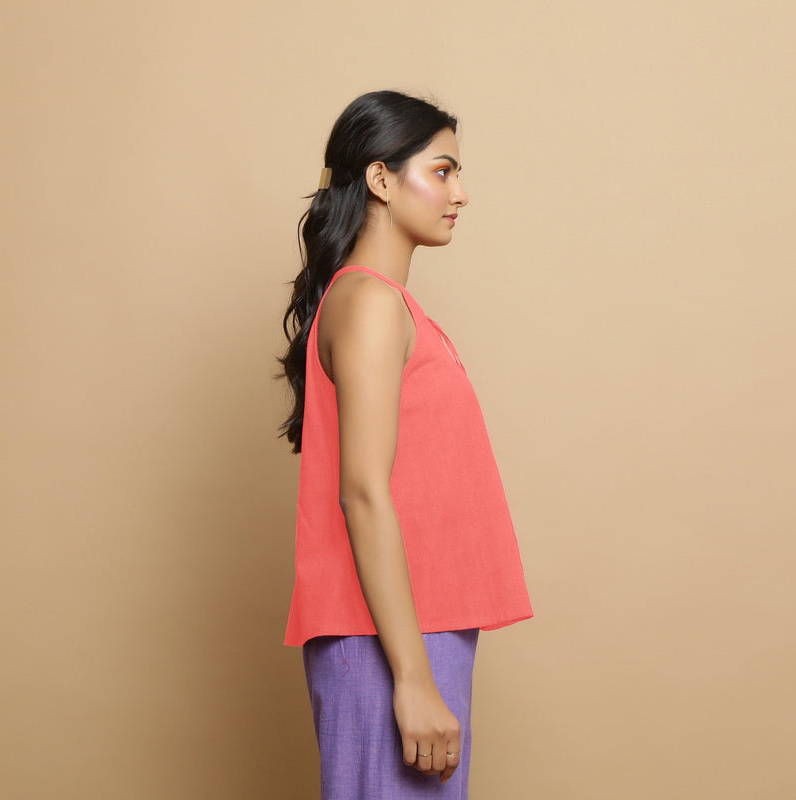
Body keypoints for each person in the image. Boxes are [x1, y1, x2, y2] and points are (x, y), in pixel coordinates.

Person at [279, 90, 532, 799]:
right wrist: (413, 678)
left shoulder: (382, 303)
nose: (461, 193)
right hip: (387, 639)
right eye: (443, 171)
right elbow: (362, 492)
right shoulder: (368, 304)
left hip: (415, 626)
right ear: (382, 179)